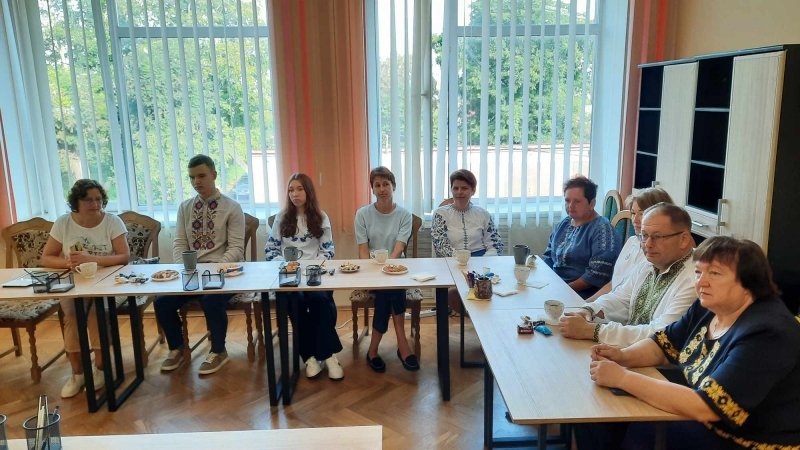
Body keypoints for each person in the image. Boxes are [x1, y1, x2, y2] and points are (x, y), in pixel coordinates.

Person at [582, 236, 800, 449]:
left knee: (640, 427)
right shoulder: (708, 306)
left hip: (747, 439)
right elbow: (663, 345)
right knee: (601, 412)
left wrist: (623, 377)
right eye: (698, 272)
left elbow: (708, 407)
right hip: (704, 419)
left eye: (714, 273)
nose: (701, 282)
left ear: (749, 282)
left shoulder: (767, 333)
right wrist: (623, 356)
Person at [155, 155, 244, 375]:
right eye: (192, 177)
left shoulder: (232, 207)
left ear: (214, 175)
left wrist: (215, 270)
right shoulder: (185, 207)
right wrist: (184, 268)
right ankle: (177, 347)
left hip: (222, 273)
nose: (196, 181)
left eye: (202, 176)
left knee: (211, 299)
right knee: (162, 302)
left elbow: (236, 248)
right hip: (191, 273)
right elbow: (180, 243)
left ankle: (218, 351)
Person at [559, 203, 696, 347]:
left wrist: (593, 331)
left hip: (658, 360)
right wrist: (588, 311)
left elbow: (662, 335)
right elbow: (621, 299)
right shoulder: (649, 264)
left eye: (657, 237)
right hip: (628, 351)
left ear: (683, 239)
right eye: (644, 236)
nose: (647, 244)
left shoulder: (695, 280)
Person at [41, 179, 130, 398]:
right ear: (76, 202)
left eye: (98, 199)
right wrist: (69, 263)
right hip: (73, 281)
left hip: (105, 280)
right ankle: (78, 373)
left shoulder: (112, 221)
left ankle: (100, 368)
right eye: (88, 200)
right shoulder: (63, 222)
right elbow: (46, 258)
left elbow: (124, 257)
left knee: (94, 314)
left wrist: (91, 258)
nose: (95, 204)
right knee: (71, 315)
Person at [264, 173, 343, 380]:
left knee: (320, 300)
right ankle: (310, 357)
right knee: (294, 302)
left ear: (308, 192)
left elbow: (328, 251)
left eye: (299, 189)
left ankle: (326, 355)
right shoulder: (281, 218)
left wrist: (312, 268)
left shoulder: (321, 217)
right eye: (291, 190)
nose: (295, 194)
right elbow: (270, 251)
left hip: (315, 275)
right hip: (289, 276)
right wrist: (286, 265)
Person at [355, 166, 419, 372]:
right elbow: (363, 251)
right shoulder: (362, 214)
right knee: (390, 292)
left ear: (394, 186)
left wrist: (388, 271)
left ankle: (373, 350)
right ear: (372, 189)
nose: (382, 189)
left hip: (397, 269)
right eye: (377, 185)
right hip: (371, 271)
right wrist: (373, 276)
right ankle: (403, 345)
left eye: (386, 184)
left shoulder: (404, 215)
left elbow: (398, 249)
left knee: (389, 290)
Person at [431, 169, 504, 313]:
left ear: (473, 190)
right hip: (452, 263)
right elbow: (440, 245)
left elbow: (495, 244)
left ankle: (482, 316)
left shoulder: (483, 214)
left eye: (464, 188)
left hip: (482, 263)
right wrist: (461, 263)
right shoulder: (440, 214)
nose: (459, 192)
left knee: (495, 287)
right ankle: (469, 314)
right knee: (454, 293)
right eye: (456, 188)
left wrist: (482, 264)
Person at [586, 187, 674, 302]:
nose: (635, 220)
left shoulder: (657, 253)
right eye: (633, 213)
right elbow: (614, 284)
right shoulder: (632, 241)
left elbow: (630, 300)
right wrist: (586, 304)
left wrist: (592, 308)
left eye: (642, 214)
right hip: (609, 303)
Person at [542, 176, 619, 298]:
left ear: (592, 203)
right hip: (555, 288)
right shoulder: (564, 223)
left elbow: (596, 274)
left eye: (577, 201)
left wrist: (562, 290)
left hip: (581, 296)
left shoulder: (602, 230)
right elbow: (548, 255)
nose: (570, 206)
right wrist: (543, 282)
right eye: (567, 201)